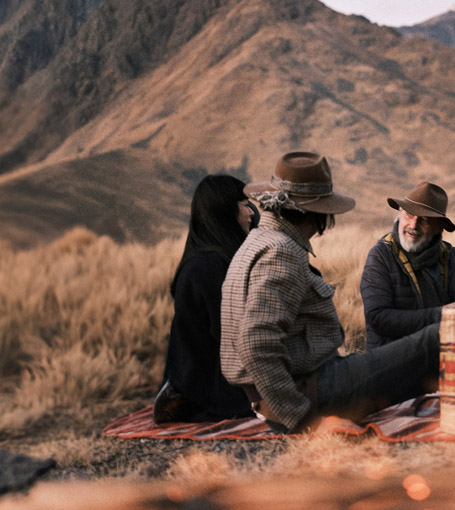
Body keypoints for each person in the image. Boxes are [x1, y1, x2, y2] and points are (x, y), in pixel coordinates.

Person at [220, 152, 440, 433]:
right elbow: (256, 343)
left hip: (290, 390)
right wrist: (306, 422)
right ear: (314, 213)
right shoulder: (281, 252)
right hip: (308, 392)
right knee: (434, 340)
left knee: (402, 353)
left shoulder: (258, 240)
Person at [153, 175, 256, 423]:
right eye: (244, 204)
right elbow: (232, 338)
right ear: (223, 211)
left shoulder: (204, 260)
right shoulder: (210, 266)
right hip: (216, 389)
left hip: (200, 382)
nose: (251, 213)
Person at [361, 181, 455, 348]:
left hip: (439, 351)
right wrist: (440, 315)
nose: (413, 225)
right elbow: (378, 318)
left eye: (424, 220)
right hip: (390, 357)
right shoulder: (381, 256)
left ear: (439, 228)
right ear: (400, 214)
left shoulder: (449, 255)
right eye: (409, 215)